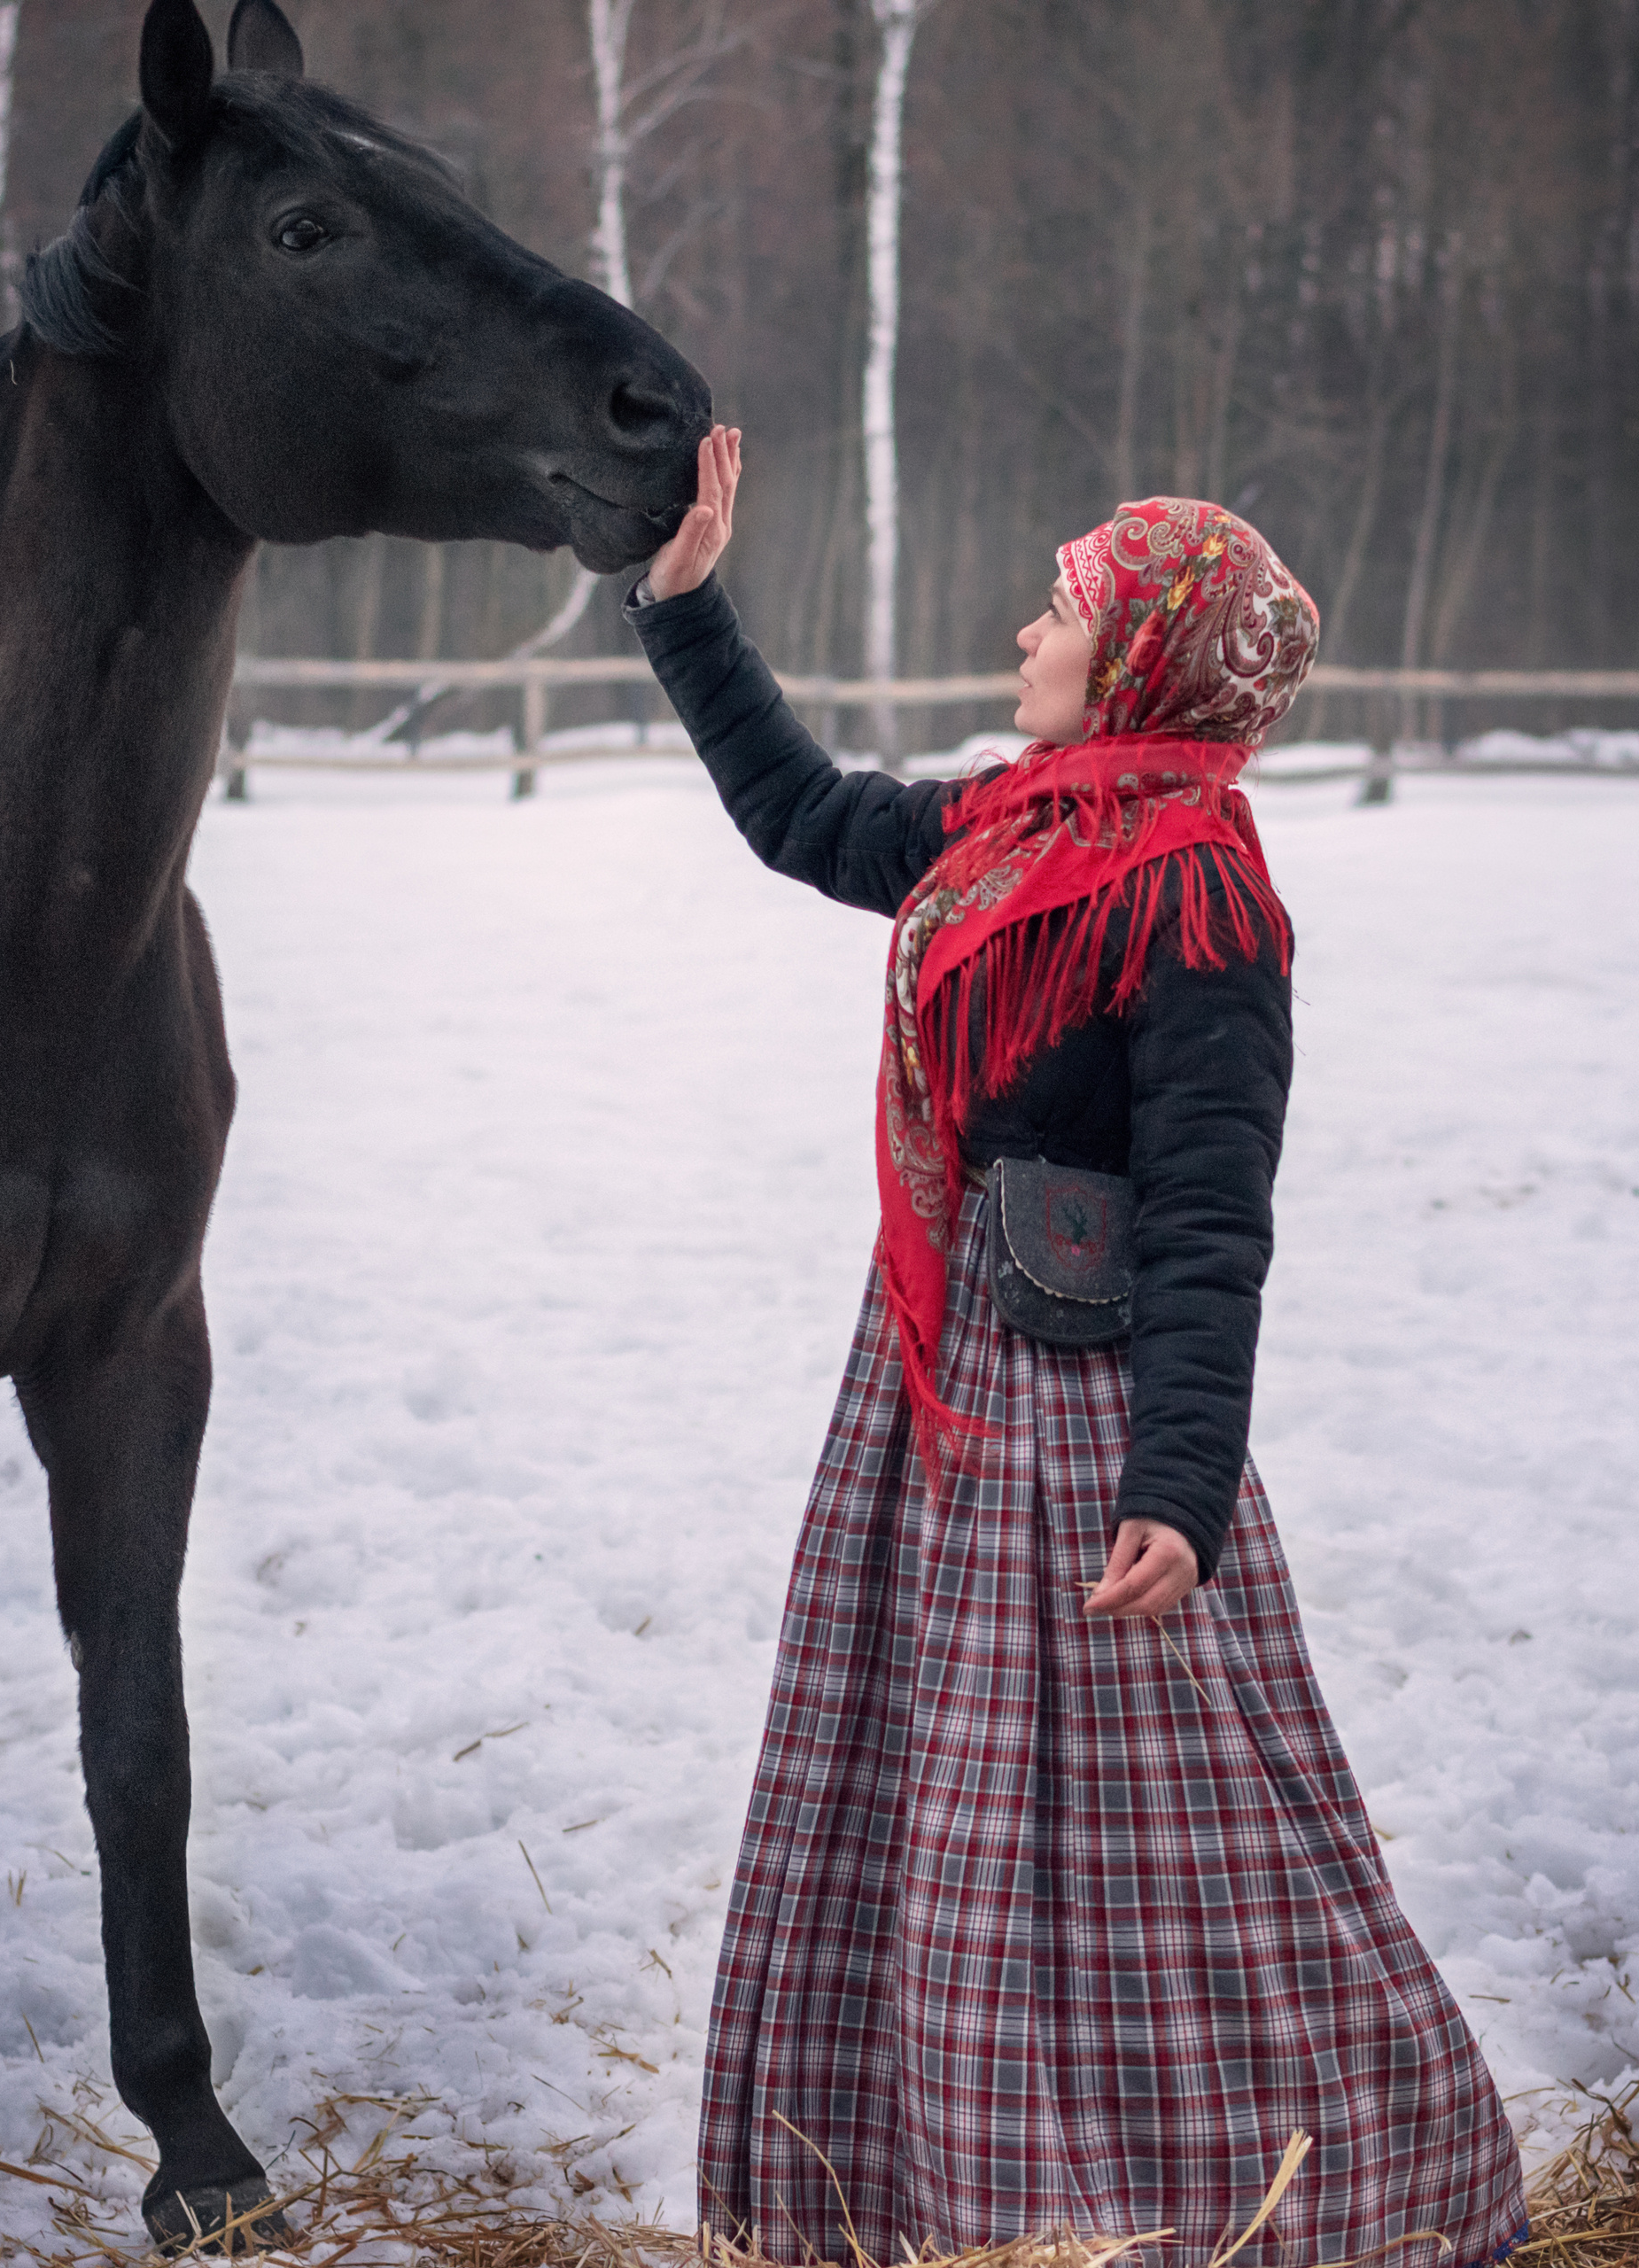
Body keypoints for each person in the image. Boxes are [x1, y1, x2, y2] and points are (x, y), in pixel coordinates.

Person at [626, 430, 1528, 2268]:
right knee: (919, 1802)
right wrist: (685, 604)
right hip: (933, 1382)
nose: (1024, 628)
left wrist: (1178, 1492)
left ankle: (1272, 2192)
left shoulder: (1196, 892)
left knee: (1141, 1835)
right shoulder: (1007, 821)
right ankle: (926, 2194)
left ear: (1139, 652)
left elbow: (1210, 1215)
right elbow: (803, 818)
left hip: (1088, 1419)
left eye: (1058, 604)